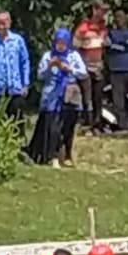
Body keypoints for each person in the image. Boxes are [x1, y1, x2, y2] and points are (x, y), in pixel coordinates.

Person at [28, 28, 87, 167]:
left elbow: (83, 73)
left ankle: (67, 155)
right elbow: (40, 76)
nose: (60, 45)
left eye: (63, 42)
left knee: (68, 126)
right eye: (58, 42)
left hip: (70, 93)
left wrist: (69, 69)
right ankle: (52, 156)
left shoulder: (74, 56)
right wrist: (50, 66)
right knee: (53, 127)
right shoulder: (48, 56)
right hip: (51, 95)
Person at [0, 11, 30, 128]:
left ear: (9, 22)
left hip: (15, 88)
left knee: (17, 121)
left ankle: (18, 144)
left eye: (4, 23)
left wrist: (25, 84)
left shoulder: (18, 40)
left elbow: (24, 62)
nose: (1, 26)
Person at [74, 1, 109, 131]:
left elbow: (104, 46)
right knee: (86, 96)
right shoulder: (83, 27)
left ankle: (97, 122)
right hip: (85, 66)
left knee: (98, 96)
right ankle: (87, 122)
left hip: (98, 66)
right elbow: (75, 46)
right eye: (102, 10)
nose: (104, 14)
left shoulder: (103, 28)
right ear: (94, 10)